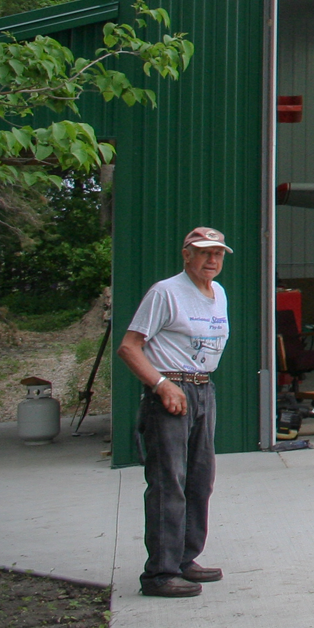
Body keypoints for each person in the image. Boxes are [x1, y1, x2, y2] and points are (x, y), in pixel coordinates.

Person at [116, 227, 232, 598]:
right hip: (171, 392)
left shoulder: (219, 294)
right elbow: (129, 347)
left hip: (202, 389)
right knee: (169, 482)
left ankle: (185, 559)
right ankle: (160, 573)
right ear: (186, 255)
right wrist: (161, 385)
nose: (211, 260)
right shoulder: (165, 292)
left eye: (217, 254)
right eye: (203, 253)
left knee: (200, 480)